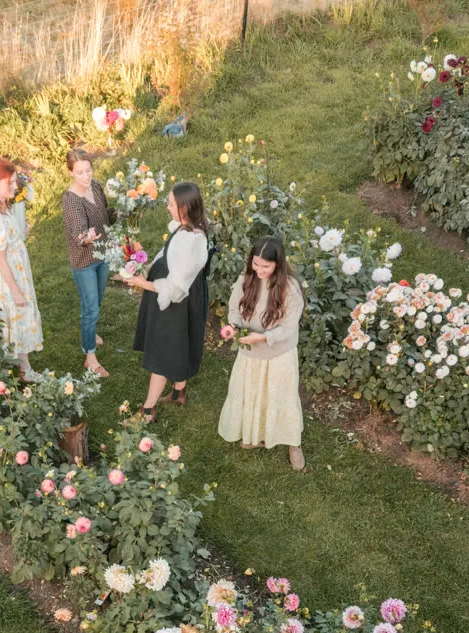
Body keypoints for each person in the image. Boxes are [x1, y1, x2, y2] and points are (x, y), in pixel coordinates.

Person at [120, 181, 210, 420]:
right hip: (174, 296)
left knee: (164, 351)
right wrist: (144, 266)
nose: (167, 207)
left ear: (183, 209)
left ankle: (147, 410)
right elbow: (167, 254)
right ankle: (178, 392)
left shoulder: (193, 240)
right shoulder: (183, 228)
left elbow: (176, 287)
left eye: (170, 203)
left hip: (177, 303)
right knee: (180, 343)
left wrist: (142, 284)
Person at [218, 235, 307, 471]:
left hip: (279, 352)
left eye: (265, 266)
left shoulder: (290, 288)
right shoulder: (246, 280)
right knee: (253, 393)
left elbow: (289, 328)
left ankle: (292, 443)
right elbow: (234, 309)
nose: (259, 270)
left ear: (278, 264)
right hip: (250, 351)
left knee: (282, 397)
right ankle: (255, 433)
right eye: (255, 264)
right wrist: (234, 326)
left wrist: (265, 337)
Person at [0, 157, 43, 381]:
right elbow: (0, 259)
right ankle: (12, 368)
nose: (15, 187)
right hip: (8, 276)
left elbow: (8, 239)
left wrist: (20, 234)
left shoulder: (1, 204)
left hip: (17, 266)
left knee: (21, 316)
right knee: (13, 315)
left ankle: (24, 367)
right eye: (10, 183)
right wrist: (15, 291)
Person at [61, 149, 115, 378]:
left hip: (102, 255)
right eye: (80, 172)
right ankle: (90, 357)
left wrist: (125, 212)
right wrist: (87, 237)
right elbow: (80, 236)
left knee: (98, 298)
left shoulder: (95, 186)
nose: (86, 176)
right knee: (90, 307)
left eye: (88, 170)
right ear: (71, 172)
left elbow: (105, 215)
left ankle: (90, 335)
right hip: (85, 261)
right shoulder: (72, 201)